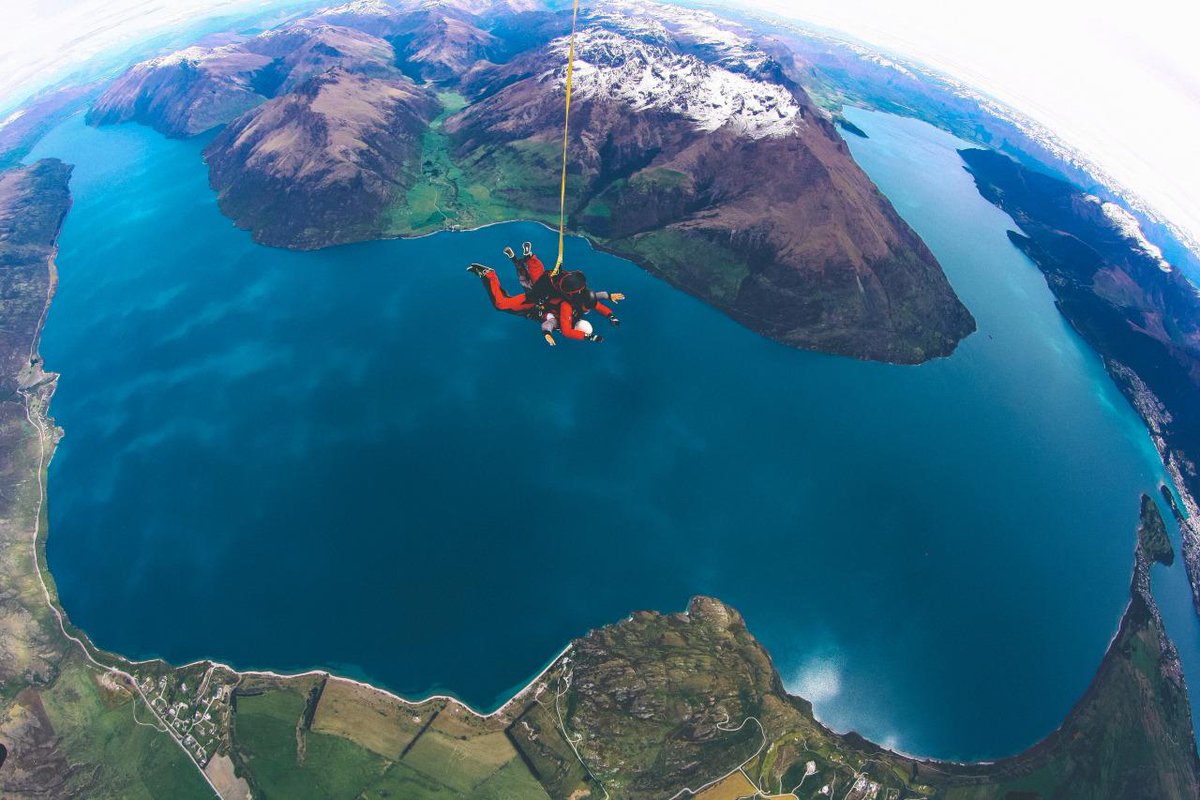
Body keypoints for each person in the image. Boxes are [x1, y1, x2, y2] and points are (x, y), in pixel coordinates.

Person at [466, 242, 624, 346]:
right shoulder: (567, 311)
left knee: (534, 279)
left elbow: (597, 300)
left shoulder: (581, 298)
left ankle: (529, 258)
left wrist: (611, 313)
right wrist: (588, 337)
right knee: (502, 304)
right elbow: (561, 329)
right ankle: (489, 275)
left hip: (545, 287)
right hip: (536, 300)